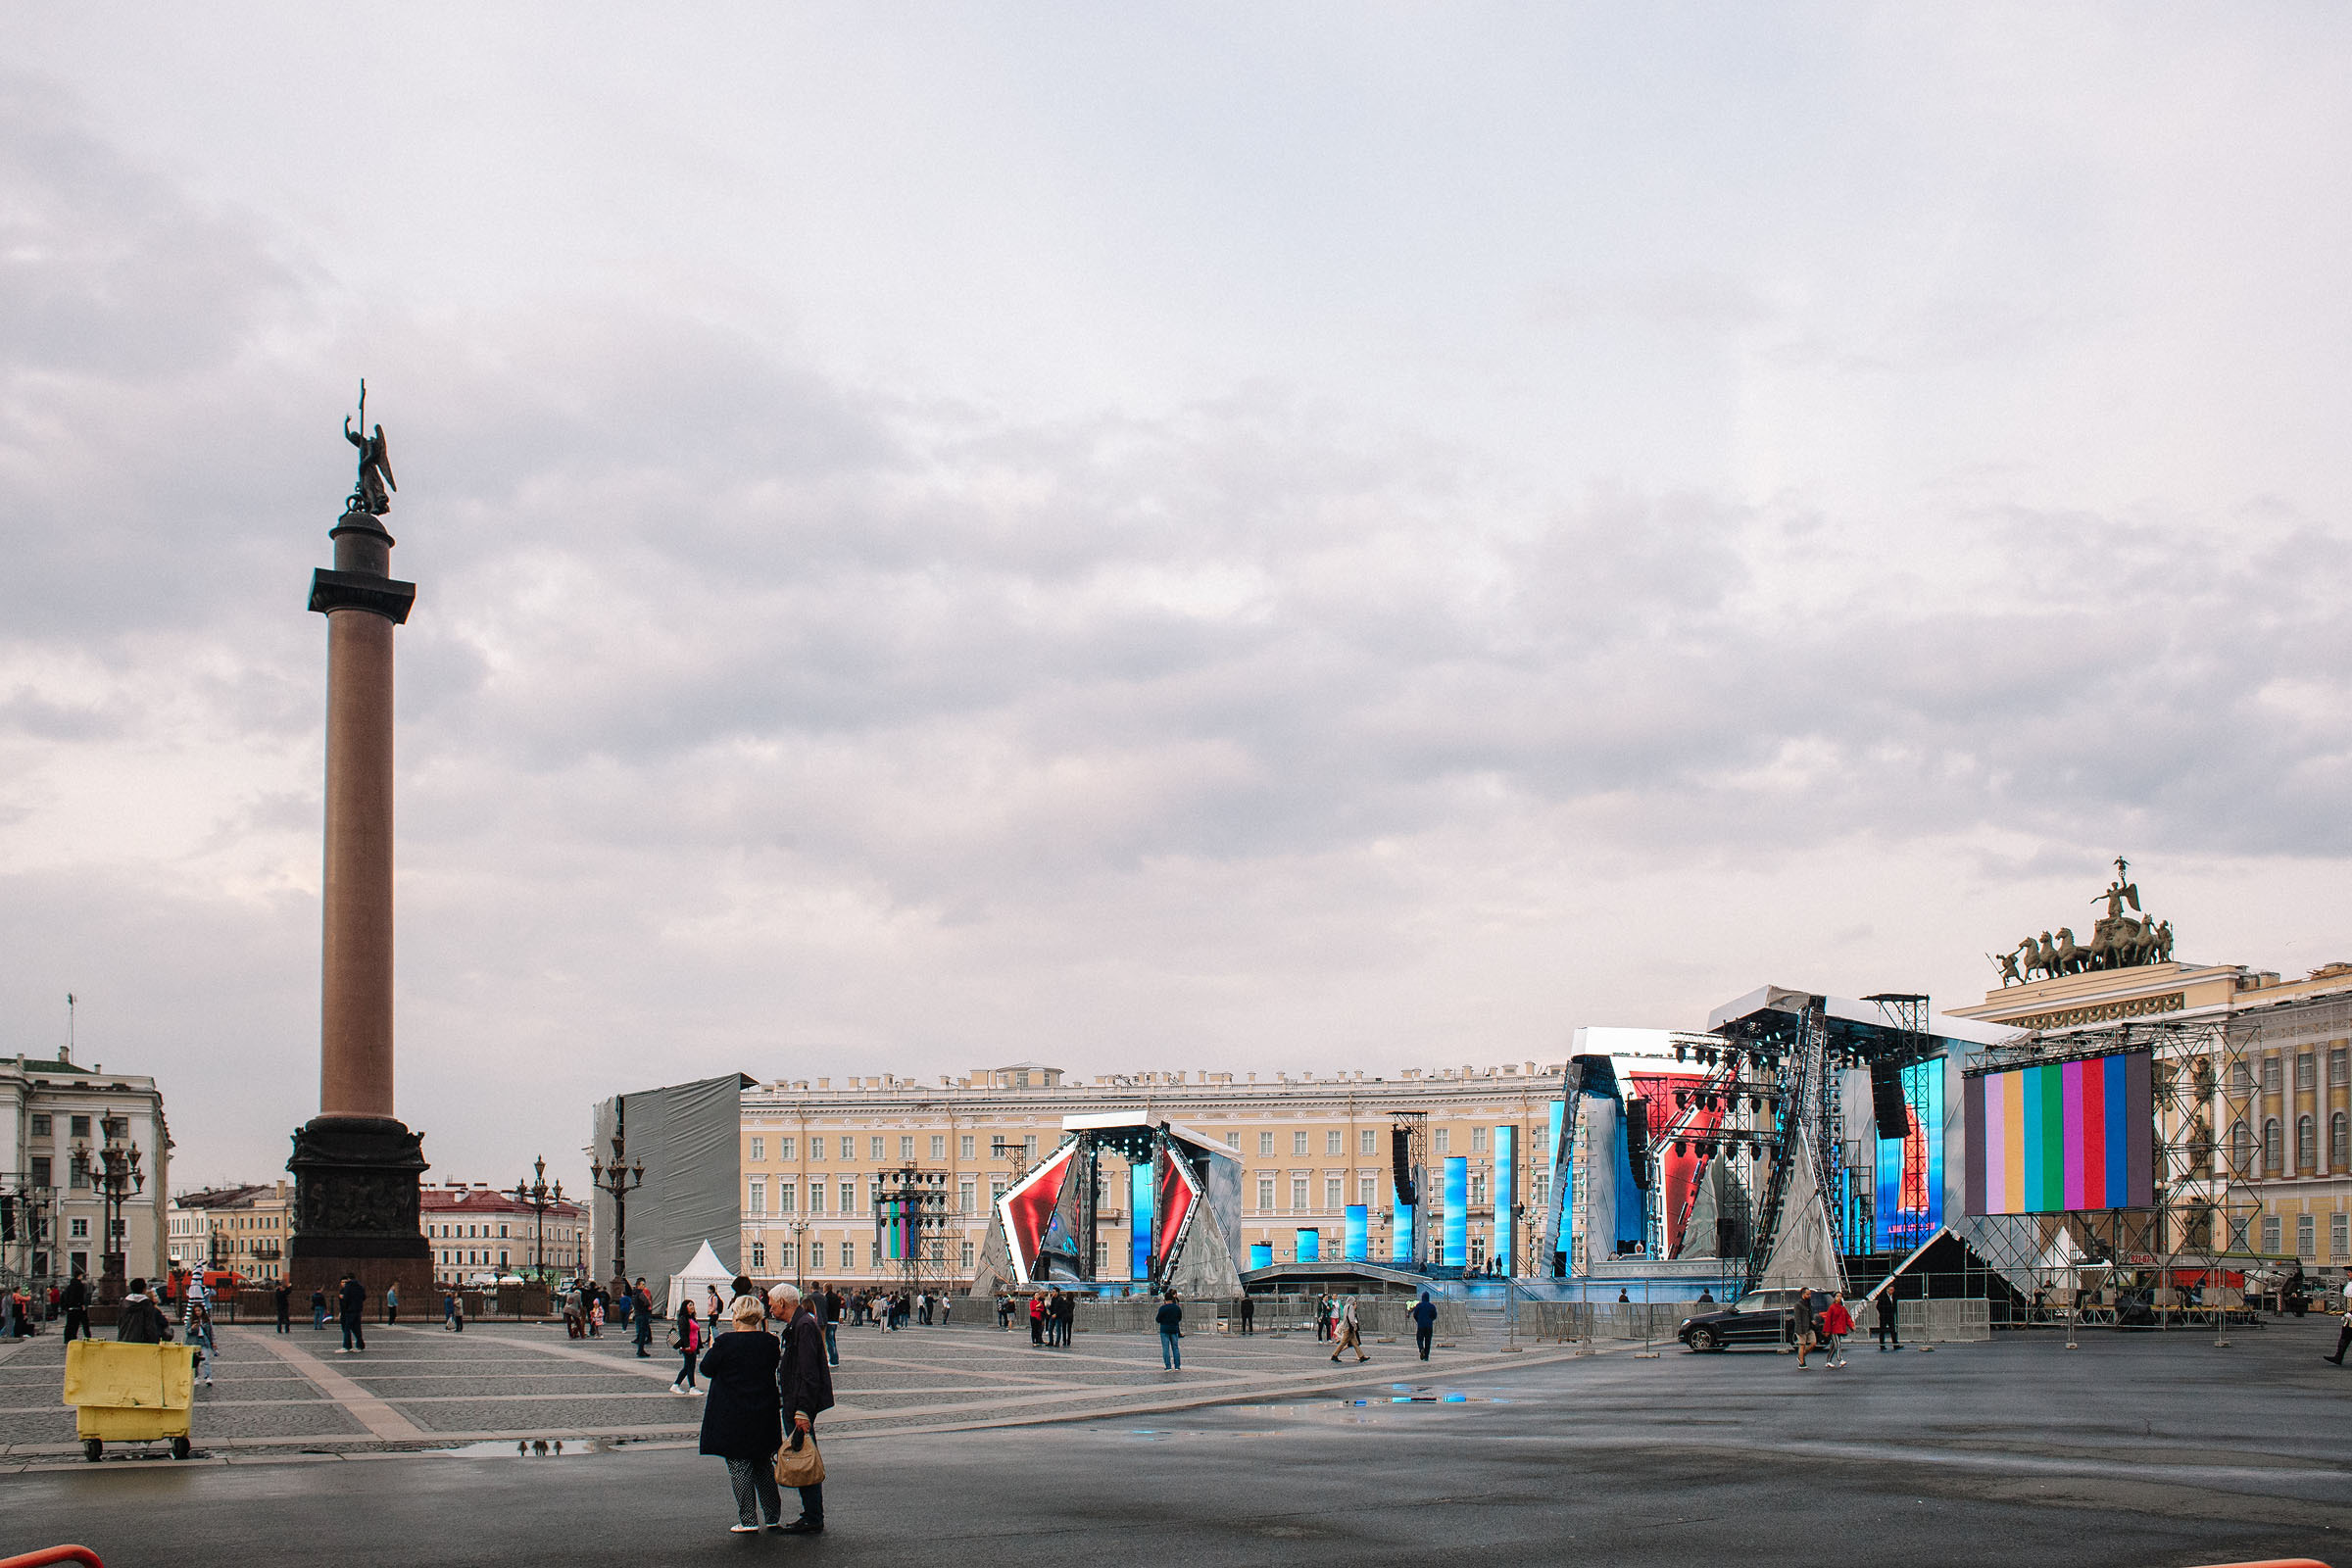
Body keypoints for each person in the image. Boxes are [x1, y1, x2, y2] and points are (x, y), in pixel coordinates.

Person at [697, 1293, 786, 1534]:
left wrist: (715, 1350)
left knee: (739, 1466)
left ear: (736, 1315)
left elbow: (706, 1369)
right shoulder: (769, 1342)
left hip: (733, 1412)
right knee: (763, 1466)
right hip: (763, 1412)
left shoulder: (726, 1342)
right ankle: (773, 1516)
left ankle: (748, 1519)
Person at [773, 1282, 835, 1535]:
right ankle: (811, 1513)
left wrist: (802, 1410)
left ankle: (813, 1515)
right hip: (795, 1400)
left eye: (771, 1303)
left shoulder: (804, 1326)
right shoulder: (798, 1325)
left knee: (804, 1457)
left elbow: (809, 1372)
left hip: (799, 1404)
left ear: (783, 1304)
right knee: (802, 1454)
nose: (770, 1307)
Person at [115, 1279, 173, 1343]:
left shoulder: (124, 1304)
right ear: (144, 1289)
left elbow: (119, 1323)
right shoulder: (148, 1305)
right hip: (144, 1342)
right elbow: (150, 1327)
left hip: (124, 1340)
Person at [670, 1300, 704, 1394]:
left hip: (693, 1346)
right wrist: (686, 1345)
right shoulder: (683, 1318)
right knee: (690, 1367)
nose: (692, 1307)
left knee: (688, 1367)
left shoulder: (692, 1318)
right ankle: (692, 1387)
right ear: (685, 1307)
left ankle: (676, 1385)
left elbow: (696, 1333)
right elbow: (683, 1333)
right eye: (690, 1305)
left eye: (693, 1305)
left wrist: (698, 1346)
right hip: (688, 1347)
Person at [1329, 1296, 1368, 1363]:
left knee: (1355, 1343)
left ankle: (1361, 1356)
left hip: (1347, 1327)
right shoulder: (1351, 1307)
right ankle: (1334, 1355)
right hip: (1349, 1328)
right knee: (1343, 1343)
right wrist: (1354, 1326)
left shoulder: (1345, 1307)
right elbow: (1351, 1319)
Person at [2327, 1267, 2352, 1366]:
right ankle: (2338, 1357)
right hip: (2349, 1319)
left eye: (2350, 1272)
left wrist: (2351, 1313)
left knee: (2345, 1336)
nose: (2348, 1274)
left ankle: (2338, 1357)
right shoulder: (2350, 1284)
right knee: (2344, 1337)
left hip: (2351, 1316)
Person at [188, 1299, 219, 1385]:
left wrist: (213, 1342)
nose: (197, 1312)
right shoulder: (190, 1320)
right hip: (194, 1341)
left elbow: (211, 1332)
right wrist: (192, 1328)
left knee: (206, 1360)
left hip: (204, 1341)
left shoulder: (207, 1320)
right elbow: (188, 1332)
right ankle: (195, 1377)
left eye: (199, 1310)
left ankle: (208, 1376)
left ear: (202, 1310)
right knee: (195, 1362)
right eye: (196, 1311)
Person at [1820, 1293, 1853, 1368]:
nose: (1839, 1298)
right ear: (1834, 1298)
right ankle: (1840, 1359)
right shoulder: (1832, 1308)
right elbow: (1828, 1320)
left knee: (1834, 1346)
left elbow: (1847, 1318)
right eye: (1837, 1296)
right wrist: (1827, 1330)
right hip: (1833, 1329)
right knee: (1837, 1344)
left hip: (1839, 1329)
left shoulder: (1842, 1308)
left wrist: (1851, 1325)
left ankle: (1828, 1361)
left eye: (1840, 1296)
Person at [339, 1273, 368, 1353]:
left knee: (347, 1328)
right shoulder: (360, 1286)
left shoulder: (348, 1287)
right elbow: (364, 1297)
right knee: (357, 1329)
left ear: (348, 1279)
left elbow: (346, 1299)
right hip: (358, 1310)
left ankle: (347, 1346)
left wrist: (345, 1307)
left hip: (349, 1311)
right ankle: (360, 1346)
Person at [1156, 1289, 1184, 1370]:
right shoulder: (1177, 1308)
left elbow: (1158, 1319)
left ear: (1165, 1299)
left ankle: (1168, 1366)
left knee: (1166, 1348)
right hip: (1174, 1329)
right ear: (1172, 1299)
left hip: (1164, 1329)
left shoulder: (1162, 1308)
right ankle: (1177, 1366)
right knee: (1175, 1348)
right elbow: (1179, 1318)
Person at [60, 1271, 89, 1344]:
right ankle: (87, 1337)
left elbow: (65, 1296)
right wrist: (81, 1304)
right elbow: (80, 1296)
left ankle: (68, 1339)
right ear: (79, 1276)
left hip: (71, 1308)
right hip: (78, 1308)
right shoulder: (79, 1285)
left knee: (70, 1325)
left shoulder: (70, 1286)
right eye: (82, 1275)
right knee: (83, 1324)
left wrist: (66, 1306)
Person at [1792, 1287, 1818, 1369]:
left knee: (1813, 1343)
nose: (1809, 1295)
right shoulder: (1798, 1305)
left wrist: (1813, 1320)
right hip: (1802, 1328)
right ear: (1803, 1294)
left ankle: (1801, 1356)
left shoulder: (1809, 1303)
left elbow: (1811, 1313)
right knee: (1802, 1345)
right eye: (1808, 1294)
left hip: (1810, 1327)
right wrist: (1799, 1330)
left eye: (1810, 1294)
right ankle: (1802, 1363)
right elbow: (1797, 1318)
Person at [1411, 1291, 1438, 1361]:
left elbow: (1415, 1315)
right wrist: (1430, 1320)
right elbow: (1434, 1316)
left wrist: (1419, 1320)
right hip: (1429, 1326)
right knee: (1428, 1341)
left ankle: (1421, 1348)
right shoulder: (1432, 1306)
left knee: (1419, 1339)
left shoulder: (1419, 1306)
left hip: (1421, 1325)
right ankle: (1426, 1356)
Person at [634, 1278, 656, 1358]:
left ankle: (640, 1350)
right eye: (642, 1284)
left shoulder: (634, 1293)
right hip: (642, 1314)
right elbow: (647, 1303)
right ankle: (640, 1350)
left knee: (640, 1332)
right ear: (638, 1285)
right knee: (642, 1333)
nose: (644, 1286)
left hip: (637, 1314)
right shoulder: (640, 1294)